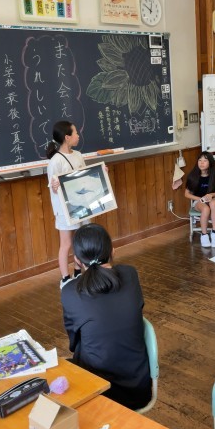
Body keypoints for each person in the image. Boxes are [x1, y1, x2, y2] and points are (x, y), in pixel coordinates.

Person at [61, 223, 152, 410]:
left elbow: (73, 343)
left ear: (77, 260)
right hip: (138, 390)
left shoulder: (70, 291)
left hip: (99, 395)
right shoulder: (130, 274)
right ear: (112, 251)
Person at [46, 120, 86, 288]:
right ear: (67, 137)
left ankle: (78, 271)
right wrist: (55, 187)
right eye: (75, 133)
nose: (78, 135)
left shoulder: (78, 155)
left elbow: (85, 177)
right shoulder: (55, 161)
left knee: (79, 240)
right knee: (66, 244)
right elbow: (53, 188)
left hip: (81, 206)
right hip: (65, 210)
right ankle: (65, 278)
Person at [185, 151, 215, 248]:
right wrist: (200, 199)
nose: (201, 163)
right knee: (206, 209)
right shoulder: (192, 176)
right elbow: (186, 194)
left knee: (213, 204)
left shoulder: (214, 174)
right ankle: (204, 235)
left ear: (210, 163)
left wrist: (211, 195)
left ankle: (214, 233)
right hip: (198, 201)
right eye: (199, 160)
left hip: (212, 199)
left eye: (205, 160)